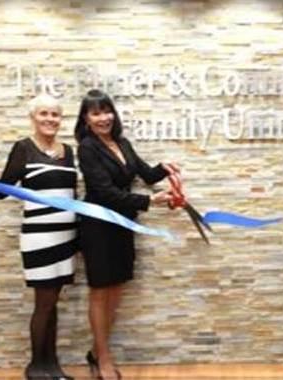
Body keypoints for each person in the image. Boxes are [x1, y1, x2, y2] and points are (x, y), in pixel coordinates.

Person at [0, 94, 77, 380]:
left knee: (53, 302)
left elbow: (72, 195)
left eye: (55, 114)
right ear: (33, 117)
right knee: (43, 302)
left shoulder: (69, 151)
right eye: (44, 114)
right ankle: (35, 367)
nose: (50, 119)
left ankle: (52, 366)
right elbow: (5, 188)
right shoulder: (24, 148)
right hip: (39, 237)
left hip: (66, 235)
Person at [74, 89, 174, 380]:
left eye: (107, 111)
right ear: (86, 119)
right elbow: (105, 193)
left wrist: (164, 169)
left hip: (122, 226)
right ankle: (104, 359)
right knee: (100, 291)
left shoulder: (122, 142)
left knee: (117, 290)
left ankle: (96, 351)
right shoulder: (87, 148)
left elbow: (144, 173)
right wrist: (148, 201)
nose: (104, 118)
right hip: (98, 227)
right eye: (96, 113)